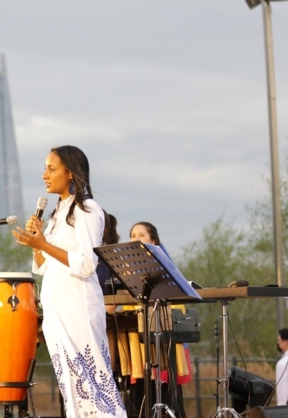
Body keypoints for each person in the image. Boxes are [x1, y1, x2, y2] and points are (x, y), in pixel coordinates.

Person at [12, 145, 126, 418]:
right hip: (57, 309)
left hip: (78, 308)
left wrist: (44, 244)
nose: (44, 174)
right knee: (72, 388)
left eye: (51, 168)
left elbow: (87, 263)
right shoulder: (56, 215)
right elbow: (43, 266)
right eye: (45, 168)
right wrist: (37, 244)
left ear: (71, 173)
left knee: (94, 386)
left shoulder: (87, 210)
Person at [125, 221, 192, 418]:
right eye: (133, 235)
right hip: (139, 338)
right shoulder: (127, 270)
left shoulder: (165, 266)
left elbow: (176, 299)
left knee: (166, 390)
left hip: (163, 335)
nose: (136, 239)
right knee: (139, 396)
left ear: (153, 240)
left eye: (141, 235)